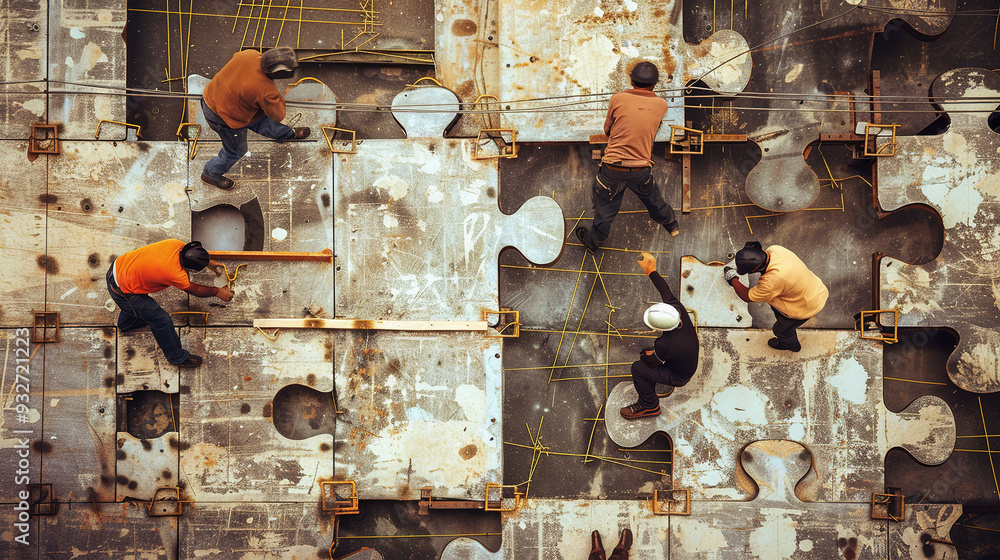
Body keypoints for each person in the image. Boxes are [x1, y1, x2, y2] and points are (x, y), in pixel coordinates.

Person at [575, 61, 679, 253]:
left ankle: (593, 242)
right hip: (641, 170)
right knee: (653, 199)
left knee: (605, 211)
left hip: (613, 170)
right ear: (654, 84)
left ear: (631, 80)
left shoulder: (617, 99)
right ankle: (671, 224)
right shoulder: (661, 105)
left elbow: (607, 129)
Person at [107, 240, 234, 367]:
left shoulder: (175, 244)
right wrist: (218, 292)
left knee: (135, 308)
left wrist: (208, 262)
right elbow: (195, 290)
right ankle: (177, 358)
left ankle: (125, 325)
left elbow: (192, 254)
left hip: (120, 268)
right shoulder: (174, 272)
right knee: (162, 321)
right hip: (123, 290)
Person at [200, 47, 311, 190]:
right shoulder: (266, 91)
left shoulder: (250, 54)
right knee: (235, 152)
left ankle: (286, 134)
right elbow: (278, 115)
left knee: (261, 121)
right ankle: (210, 174)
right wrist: (275, 97)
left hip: (212, 95)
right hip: (223, 117)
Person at [620, 252, 699, 420]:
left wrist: (646, 354)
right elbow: (665, 290)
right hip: (687, 357)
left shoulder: (666, 344)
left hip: (680, 375)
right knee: (649, 360)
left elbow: (648, 360)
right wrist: (651, 270)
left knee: (638, 368)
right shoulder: (677, 310)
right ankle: (652, 387)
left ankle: (649, 406)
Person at [724, 241, 829, 352]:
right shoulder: (775, 250)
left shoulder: (771, 281)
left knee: (780, 330)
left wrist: (733, 279)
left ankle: (792, 346)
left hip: (807, 306)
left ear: (754, 270)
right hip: (815, 288)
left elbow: (747, 296)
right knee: (777, 308)